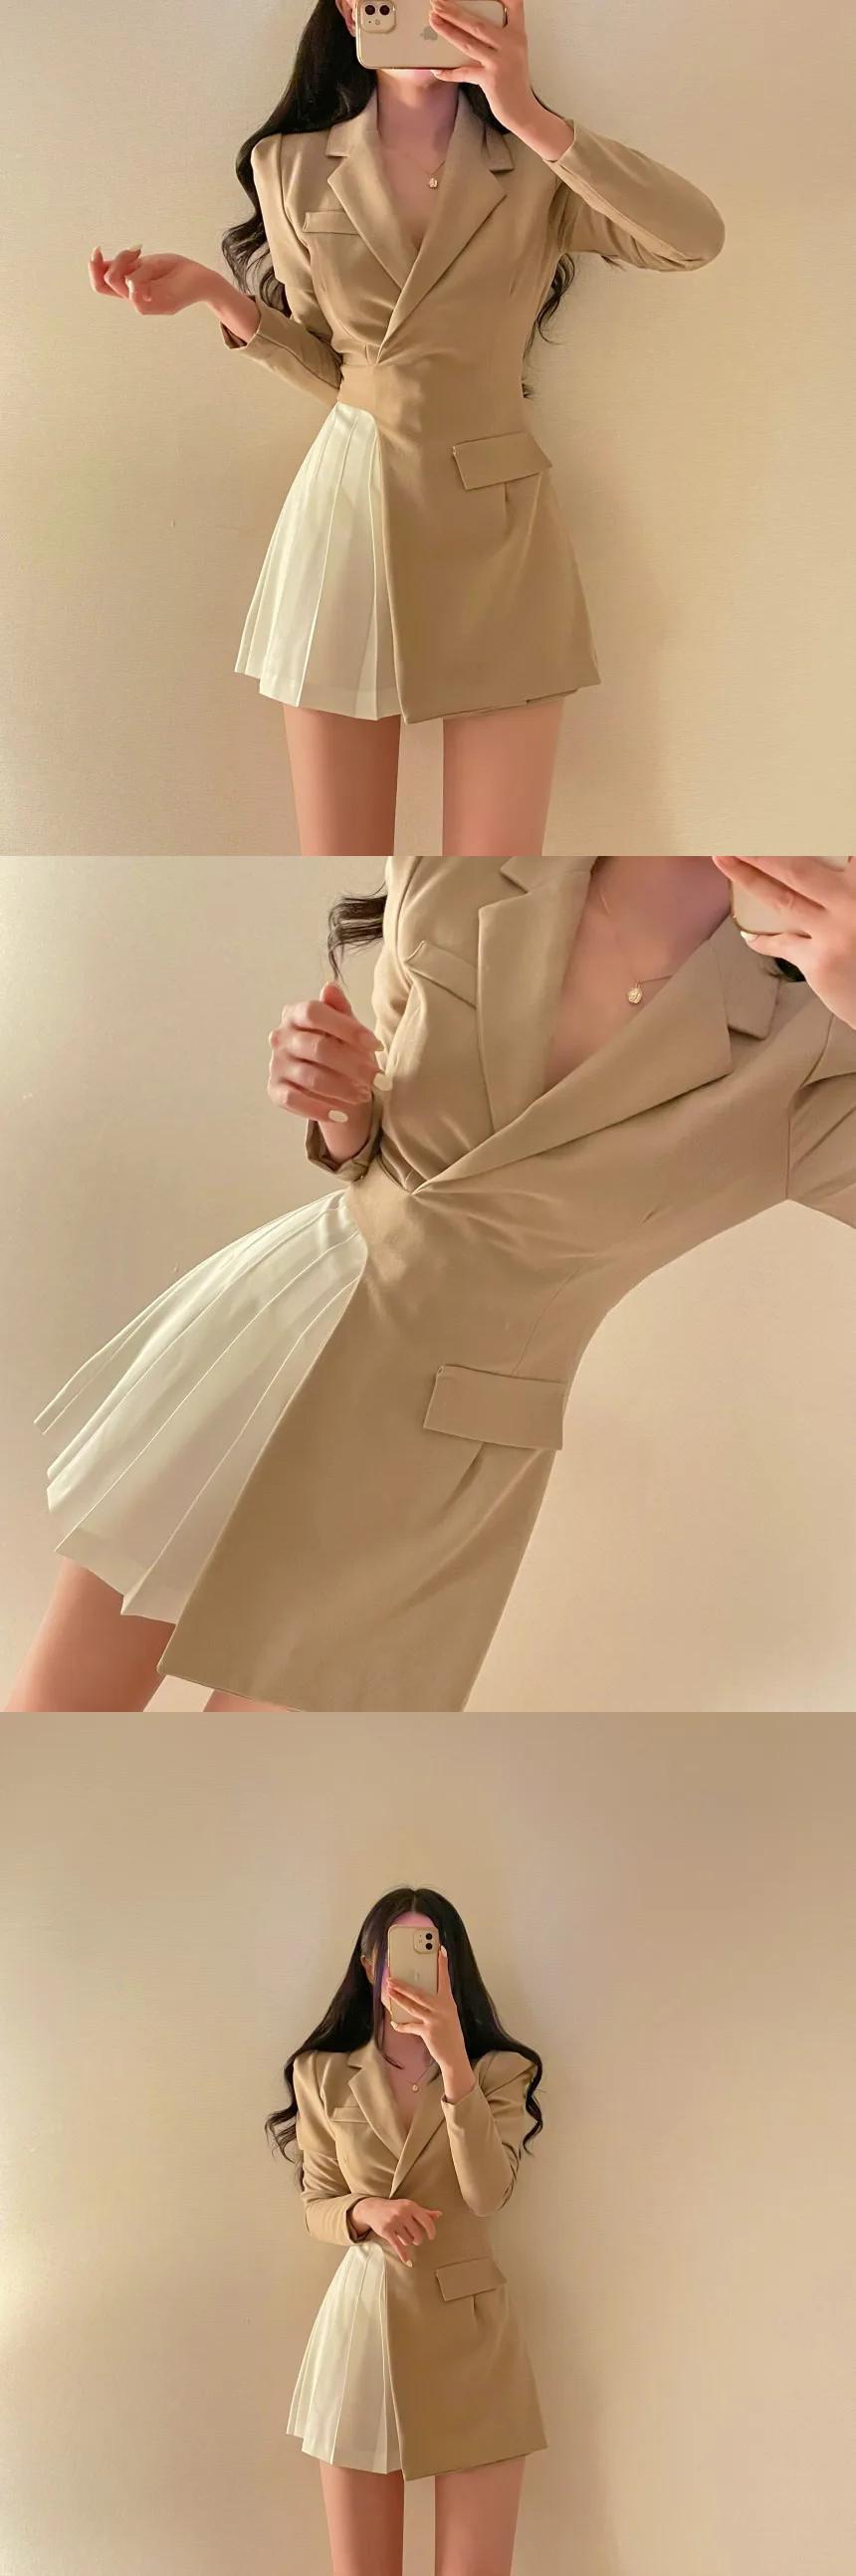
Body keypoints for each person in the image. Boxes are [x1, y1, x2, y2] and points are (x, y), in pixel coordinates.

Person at [9, 856, 856, 1717]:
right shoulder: (468, 864)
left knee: (262, 1787)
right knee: (56, 1727)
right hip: (288, 1325)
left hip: (444, 1447)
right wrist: (334, 1097)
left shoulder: (815, 1037)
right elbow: (382, 1138)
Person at [90, 0, 724, 857]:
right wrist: (217, 296)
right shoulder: (290, 165)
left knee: (495, 862)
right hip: (351, 508)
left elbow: (694, 239)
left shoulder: (534, 162)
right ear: (355, 9)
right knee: (339, 856)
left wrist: (529, 115)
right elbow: (339, 371)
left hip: (498, 519)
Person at [272, 1883, 544, 2576]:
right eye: (395, 1952)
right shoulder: (322, 2073)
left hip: (471, 2332)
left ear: (452, 1964)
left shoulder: (499, 2071)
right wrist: (365, 2211)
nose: (408, 1969)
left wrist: (453, 2062)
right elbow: (318, 2204)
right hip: (364, 2326)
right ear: (369, 1964)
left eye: (428, 1950)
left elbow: (486, 2193)